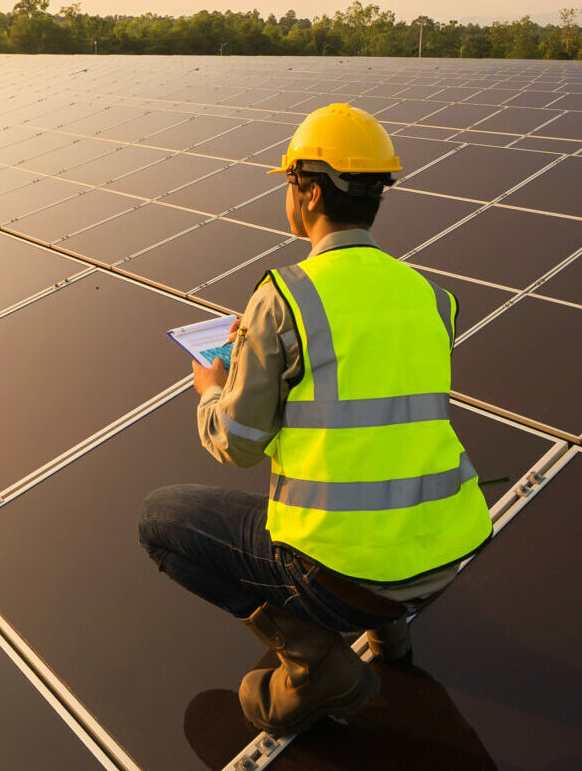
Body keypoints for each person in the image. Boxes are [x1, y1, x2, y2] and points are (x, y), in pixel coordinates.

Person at [138, 103, 493, 737]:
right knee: (375, 493)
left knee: (160, 519)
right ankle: (392, 642)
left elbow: (237, 444)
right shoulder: (432, 297)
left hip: (336, 575)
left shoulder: (285, 296)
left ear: (305, 191)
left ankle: (312, 664)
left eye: (289, 184)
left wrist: (214, 387)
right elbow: (377, 415)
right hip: (443, 560)